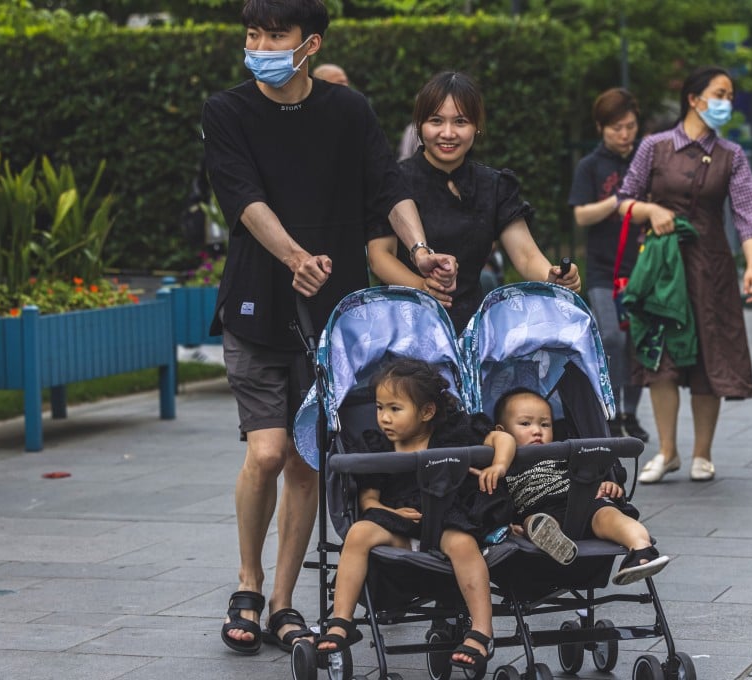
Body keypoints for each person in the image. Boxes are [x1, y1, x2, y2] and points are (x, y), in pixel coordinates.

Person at [202, 0, 457, 655]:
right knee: (265, 452)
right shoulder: (227, 111)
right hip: (257, 303)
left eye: (274, 34)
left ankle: (284, 603)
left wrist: (421, 250)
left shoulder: (350, 111)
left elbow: (389, 186)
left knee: (306, 462)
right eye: (252, 32)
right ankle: (249, 583)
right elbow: (244, 198)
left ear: (309, 43)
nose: (259, 44)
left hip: (335, 319)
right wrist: (292, 257)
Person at [314, 358, 515, 675]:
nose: (384, 418)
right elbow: (368, 501)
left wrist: (498, 464)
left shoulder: (453, 435)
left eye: (395, 409)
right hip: (399, 523)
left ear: (427, 412)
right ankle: (341, 622)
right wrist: (391, 512)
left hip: (447, 519)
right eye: (380, 407)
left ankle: (481, 632)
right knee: (359, 533)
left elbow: (500, 438)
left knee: (464, 545)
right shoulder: (378, 446)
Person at [616, 66, 752, 483]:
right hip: (662, 268)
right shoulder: (654, 146)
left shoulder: (731, 154)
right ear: (694, 99)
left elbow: (748, 215)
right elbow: (624, 200)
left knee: (708, 355)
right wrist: (651, 210)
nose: (727, 103)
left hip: (711, 267)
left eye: (730, 96)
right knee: (660, 356)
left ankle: (702, 453)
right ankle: (667, 452)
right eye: (720, 94)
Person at [368, 71, 581, 333]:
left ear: (476, 126)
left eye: (460, 121)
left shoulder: (494, 185)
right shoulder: (395, 180)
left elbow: (525, 256)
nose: (447, 133)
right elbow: (379, 256)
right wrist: (422, 288)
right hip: (403, 325)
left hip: (473, 330)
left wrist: (553, 277)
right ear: (419, 125)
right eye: (436, 121)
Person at [494, 388, 669, 584]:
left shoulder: (564, 453)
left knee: (610, 515)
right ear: (502, 432)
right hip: (540, 510)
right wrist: (505, 524)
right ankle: (555, 541)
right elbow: (496, 501)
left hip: (583, 501)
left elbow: (589, 475)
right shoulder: (501, 466)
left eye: (545, 424)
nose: (537, 431)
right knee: (533, 522)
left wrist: (608, 486)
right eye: (525, 424)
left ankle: (642, 550)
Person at [568, 87, 651, 442]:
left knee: (639, 341)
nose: (624, 134)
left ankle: (630, 414)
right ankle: (611, 410)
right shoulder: (590, 165)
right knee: (612, 338)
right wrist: (619, 202)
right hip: (603, 269)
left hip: (643, 267)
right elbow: (581, 214)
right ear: (601, 127)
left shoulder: (645, 161)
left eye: (630, 126)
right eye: (616, 127)